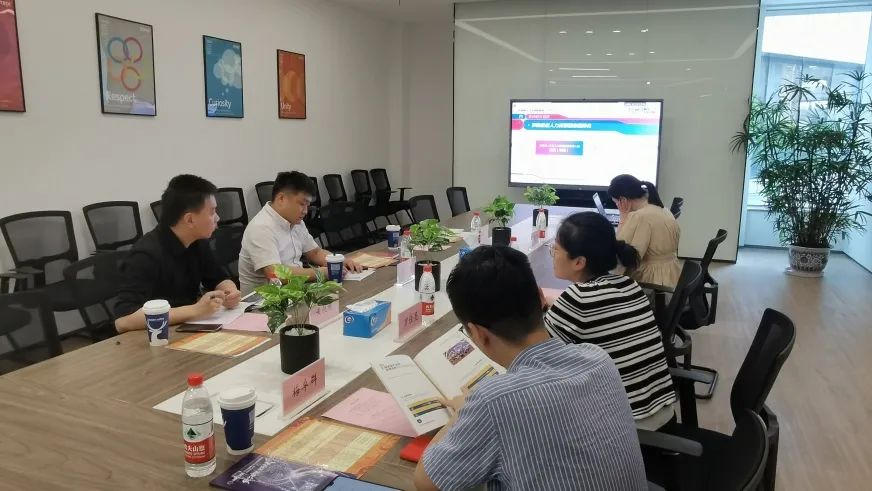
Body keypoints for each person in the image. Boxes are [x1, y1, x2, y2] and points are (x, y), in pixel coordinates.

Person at [414, 246, 647, 491]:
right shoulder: (597, 358)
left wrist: (463, 413)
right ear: (540, 297)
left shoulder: (494, 401)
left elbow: (426, 483)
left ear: (478, 333)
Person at [543, 212, 677, 430]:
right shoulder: (629, 285)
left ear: (579, 262)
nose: (552, 254)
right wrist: (550, 305)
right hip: (661, 415)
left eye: (555, 249)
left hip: (627, 431)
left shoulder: (578, 299)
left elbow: (533, 352)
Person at [114, 175, 241, 332]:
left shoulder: (197, 241)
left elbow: (217, 278)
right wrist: (195, 310)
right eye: (212, 212)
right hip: (155, 335)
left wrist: (229, 292)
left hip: (186, 327)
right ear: (189, 220)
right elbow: (123, 321)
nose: (217, 218)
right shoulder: (146, 254)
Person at [238, 171, 362, 295]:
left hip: (295, 290)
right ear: (281, 198)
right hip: (265, 299)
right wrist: (319, 273)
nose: (305, 211)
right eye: (302, 204)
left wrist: (338, 261)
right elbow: (275, 273)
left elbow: (315, 252)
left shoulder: (295, 220)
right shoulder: (261, 227)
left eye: (308, 205)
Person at [609, 174, 681, 287]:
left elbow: (622, 252)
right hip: (672, 275)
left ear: (623, 200)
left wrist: (623, 217)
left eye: (616, 203)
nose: (617, 206)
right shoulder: (662, 209)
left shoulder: (639, 216)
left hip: (652, 281)